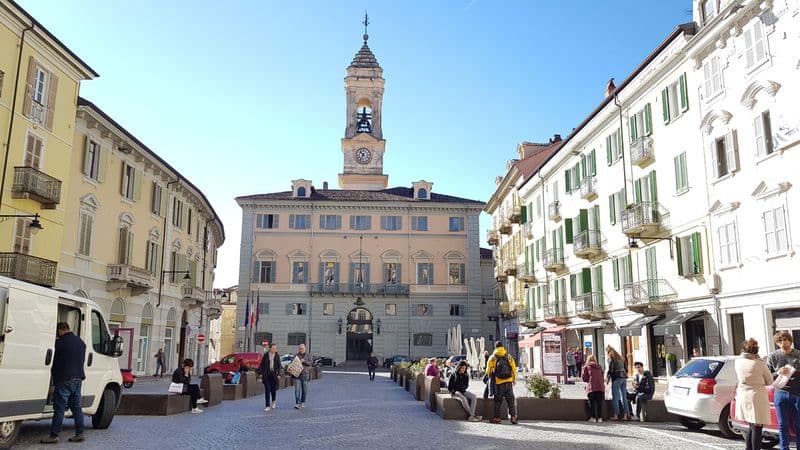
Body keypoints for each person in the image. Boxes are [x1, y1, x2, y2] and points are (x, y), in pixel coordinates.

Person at [41, 323, 87, 444]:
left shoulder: (60, 343)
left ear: (61, 330)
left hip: (64, 379)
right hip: (78, 378)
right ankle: (80, 433)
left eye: (57, 332)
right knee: (76, 408)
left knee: (59, 408)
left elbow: (53, 359)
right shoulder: (81, 342)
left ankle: (54, 436)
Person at [736, 338, 772, 450]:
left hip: (743, 394)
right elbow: (769, 381)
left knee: (751, 426)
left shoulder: (738, 361)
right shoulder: (759, 363)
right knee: (757, 427)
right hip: (756, 395)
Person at [767, 331, 800, 450]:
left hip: (797, 393)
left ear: (790, 341)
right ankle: (784, 448)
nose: (783, 343)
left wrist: (795, 371)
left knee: (798, 424)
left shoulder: (798, 354)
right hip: (780, 393)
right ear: (777, 343)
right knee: (782, 424)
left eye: (785, 340)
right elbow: (767, 375)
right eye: (779, 341)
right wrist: (778, 372)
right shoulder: (773, 356)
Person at [486, 341, 517, 424]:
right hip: (509, 381)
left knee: (497, 401)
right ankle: (513, 417)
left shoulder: (493, 357)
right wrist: (513, 379)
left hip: (499, 382)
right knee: (510, 400)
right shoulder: (508, 356)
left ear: (495, 347)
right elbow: (513, 368)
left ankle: (497, 418)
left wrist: (490, 377)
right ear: (502, 347)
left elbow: (488, 370)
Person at [606, 346, 630, 421]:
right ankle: (626, 415)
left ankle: (616, 415)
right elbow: (626, 369)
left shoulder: (611, 358)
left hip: (616, 378)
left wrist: (608, 377)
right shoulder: (621, 358)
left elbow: (611, 370)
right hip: (624, 378)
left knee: (615, 397)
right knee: (624, 397)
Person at [258, 343, 281, 411]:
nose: (275, 349)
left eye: (275, 348)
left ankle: (273, 401)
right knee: (267, 390)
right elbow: (261, 365)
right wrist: (260, 373)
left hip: (274, 374)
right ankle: (267, 405)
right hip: (266, 374)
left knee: (273, 390)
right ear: (270, 348)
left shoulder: (277, 355)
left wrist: (278, 374)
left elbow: (279, 365)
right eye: (273, 348)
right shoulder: (266, 355)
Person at [581, 355, 604, 423]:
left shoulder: (586, 367)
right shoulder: (599, 366)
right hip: (600, 387)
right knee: (600, 403)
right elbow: (602, 376)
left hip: (591, 387)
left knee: (591, 403)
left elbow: (584, 378)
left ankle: (593, 417)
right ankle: (600, 418)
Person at [293, 343, 313, 409]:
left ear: (305, 349)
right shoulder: (296, 355)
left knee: (304, 390)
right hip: (297, 375)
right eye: (300, 349)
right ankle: (297, 403)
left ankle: (302, 402)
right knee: (297, 390)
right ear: (298, 349)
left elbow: (310, 363)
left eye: (302, 349)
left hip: (305, 374)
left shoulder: (308, 355)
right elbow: (292, 363)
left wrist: (304, 361)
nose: (301, 350)